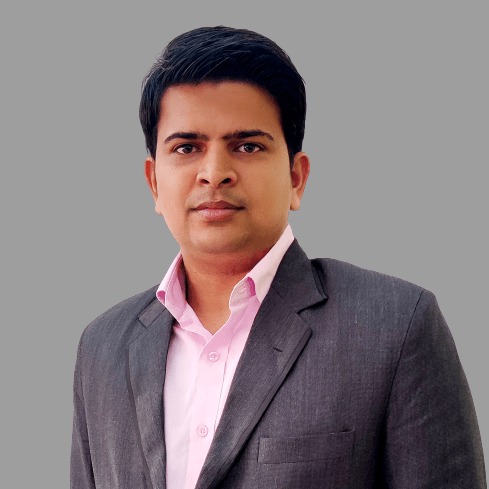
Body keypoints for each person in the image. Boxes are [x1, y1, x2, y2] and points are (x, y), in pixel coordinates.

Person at [70, 26, 486, 489]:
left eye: (247, 146)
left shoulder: (395, 326)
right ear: (153, 182)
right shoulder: (102, 348)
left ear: (296, 178)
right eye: (187, 148)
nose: (214, 173)